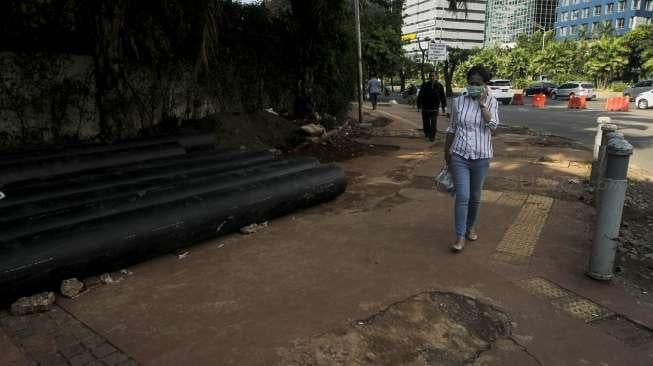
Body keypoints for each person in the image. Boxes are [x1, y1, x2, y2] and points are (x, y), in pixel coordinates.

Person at [444, 65, 499, 252]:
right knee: (463, 196)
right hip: (459, 154)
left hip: (482, 156)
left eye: (477, 83)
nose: (473, 86)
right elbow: (451, 128)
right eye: (471, 83)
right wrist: (447, 154)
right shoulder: (459, 101)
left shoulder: (492, 101)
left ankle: (471, 226)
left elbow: (493, 126)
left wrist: (483, 105)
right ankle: (459, 236)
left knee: (475, 197)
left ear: (485, 85)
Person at [416, 72, 447, 142]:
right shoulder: (424, 85)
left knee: (433, 123)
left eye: (433, 76)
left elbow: (443, 97)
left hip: (434, 108)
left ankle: (432, 136)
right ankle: (427, 132)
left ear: (436, 77)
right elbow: (420, 95)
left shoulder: (439, 86)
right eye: (430, 76)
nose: (431, 77)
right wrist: (419, 105)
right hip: (425, 107)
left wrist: (443, 107)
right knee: (425, 122)